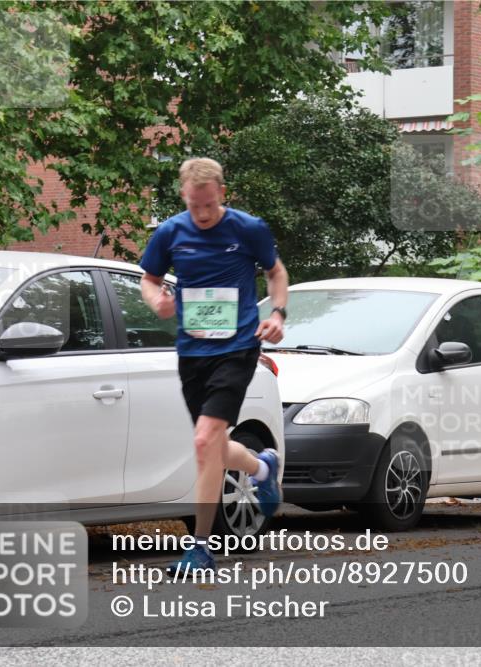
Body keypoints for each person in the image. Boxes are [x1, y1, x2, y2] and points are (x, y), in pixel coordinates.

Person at [140, 157, 289, 571]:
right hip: (191, 352)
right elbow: (149, 280)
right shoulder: (171, 232)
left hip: (238, 347)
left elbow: (276, 273)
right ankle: (262, 466)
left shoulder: (248, 228)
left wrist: (277, 314)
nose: (202, 215)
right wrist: (159, 303)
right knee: (215, 446)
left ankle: (201, 545)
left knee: (205, 441)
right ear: (184, 198)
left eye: (208, 205)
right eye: (194, 206)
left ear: (222, 193)